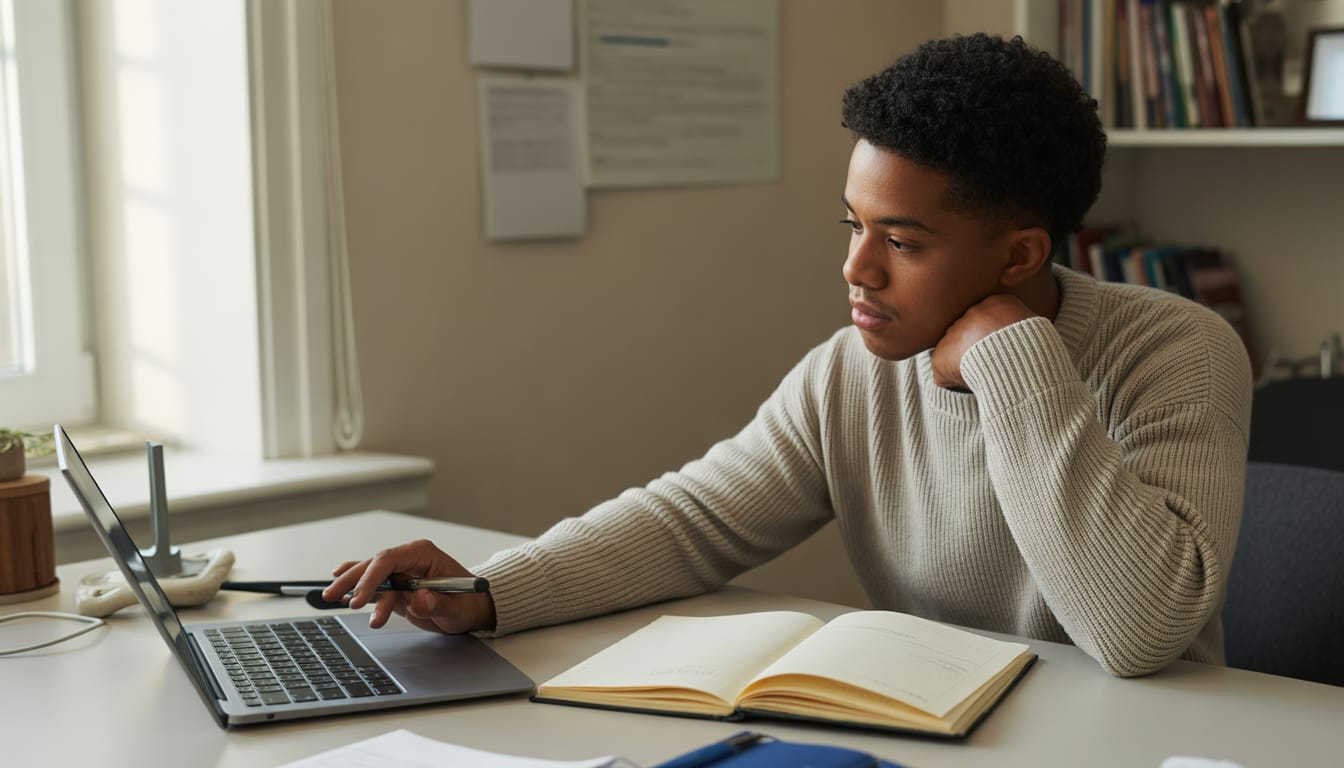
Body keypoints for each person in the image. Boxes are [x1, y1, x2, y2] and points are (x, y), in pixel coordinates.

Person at [325, 33, 1252, 677]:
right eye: (853, 225)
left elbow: (1138, 633)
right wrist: (489, 590)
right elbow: (690, 522)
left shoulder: (1178, 350)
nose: (856, 269)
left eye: (903, 241)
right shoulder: (850, 373)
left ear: (1019, 255)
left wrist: (1015, 361)